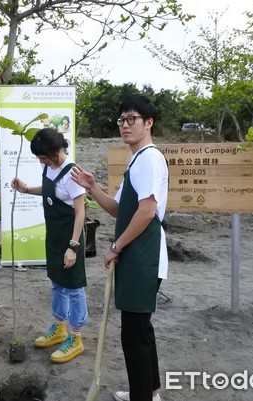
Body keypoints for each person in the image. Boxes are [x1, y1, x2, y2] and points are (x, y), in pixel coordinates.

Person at [71, 94, 168, 401]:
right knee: (140, 329)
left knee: (134, 334)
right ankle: (150, 391)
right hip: (136, 256)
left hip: (144, 257)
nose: (125, 126)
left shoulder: (150, 158)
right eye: (122, 120)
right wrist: (92, 187)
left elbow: (147, 211)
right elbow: (116, 208)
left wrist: (116, 245)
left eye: (132, 120)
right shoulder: (136, 159)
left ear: (148, 123)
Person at [11, 127, 88, 364]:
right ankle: (59, 327)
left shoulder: (72, 173)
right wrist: (25, 189)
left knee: (74, 288)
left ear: (56, 151)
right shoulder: (49, 166)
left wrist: (73, 247)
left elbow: (80, 212)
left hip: (70, 237)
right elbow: (48, 190)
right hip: (53, 235)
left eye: (43, 157)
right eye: (38, 157)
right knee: (56, 282)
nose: (40, 161)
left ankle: (75, 337)